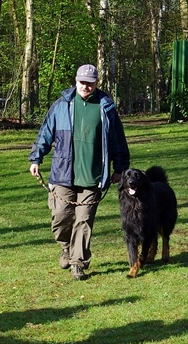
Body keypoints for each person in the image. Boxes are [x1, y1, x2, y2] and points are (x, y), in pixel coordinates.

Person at [29, 64, 130, 280]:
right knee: (60, 218)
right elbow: (45, 133)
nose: (85, 86)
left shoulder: (106, 108)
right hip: (63, 174)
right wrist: (36, 158)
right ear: (76, 81)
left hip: (93, 177)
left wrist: (120, 169)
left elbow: (118, 141)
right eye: (82, 82)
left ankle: (78, 262)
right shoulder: (61, 105)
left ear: (96, 83)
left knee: (84, 221)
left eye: (90, 83)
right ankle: (65, 247)